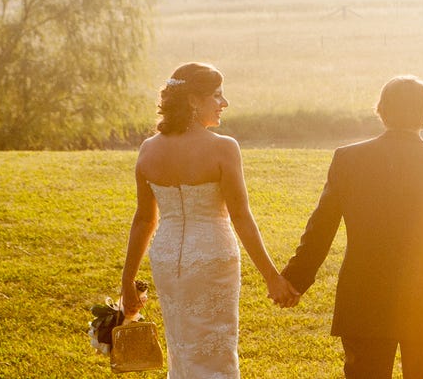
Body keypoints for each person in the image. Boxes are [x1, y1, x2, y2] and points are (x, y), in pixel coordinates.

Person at [281, 75, 423, 379]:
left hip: (363, 295)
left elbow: (321, 227)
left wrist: (295, 279)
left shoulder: (348, 159)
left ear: (381, 110)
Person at [120, 62, 300, 378]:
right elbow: (241, 216)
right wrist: (272, 276)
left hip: (166, 260)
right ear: (192, 100)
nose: (224, 103)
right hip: (212, 258)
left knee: (183, 351)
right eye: (216, 95)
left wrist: (127, 282)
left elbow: (144, 220)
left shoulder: (148, 150)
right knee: (215, 351)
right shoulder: (223, 148)